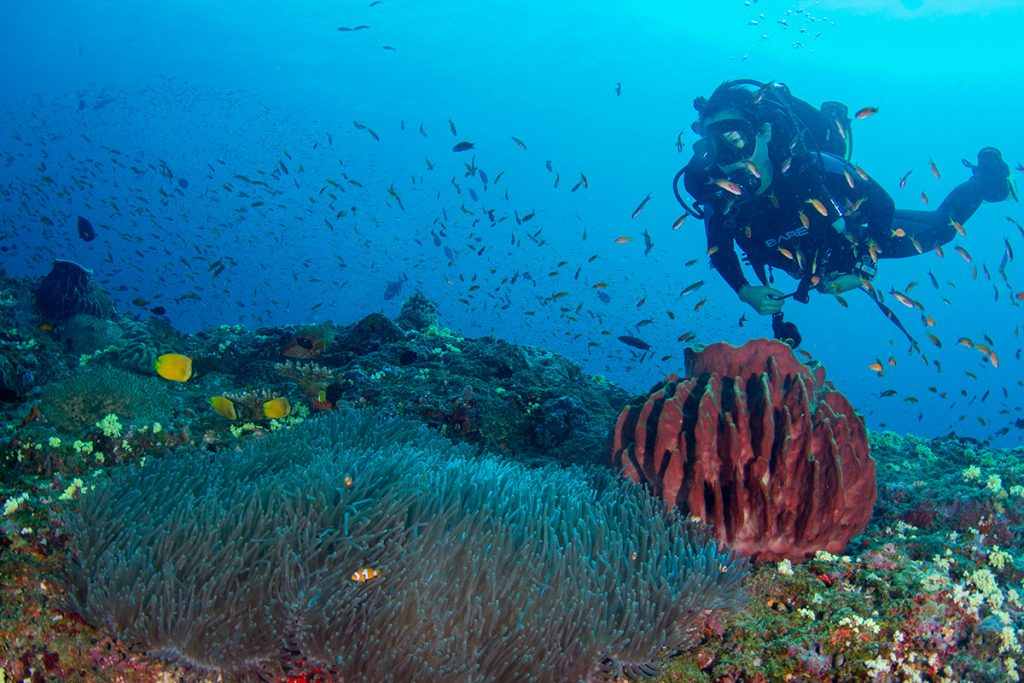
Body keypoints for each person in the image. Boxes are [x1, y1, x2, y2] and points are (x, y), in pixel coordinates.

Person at [673, 79, 1014, 347]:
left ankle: (985, 179)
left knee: (942, 230)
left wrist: (864, 265)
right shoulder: (721, 196)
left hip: (853, 235)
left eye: (736, 139)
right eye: (715, 147)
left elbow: (881, 204)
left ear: (764, 132)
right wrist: (744, 290)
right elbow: (719, 249)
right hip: (803, 258)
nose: (730, 158)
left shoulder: (810, 169)